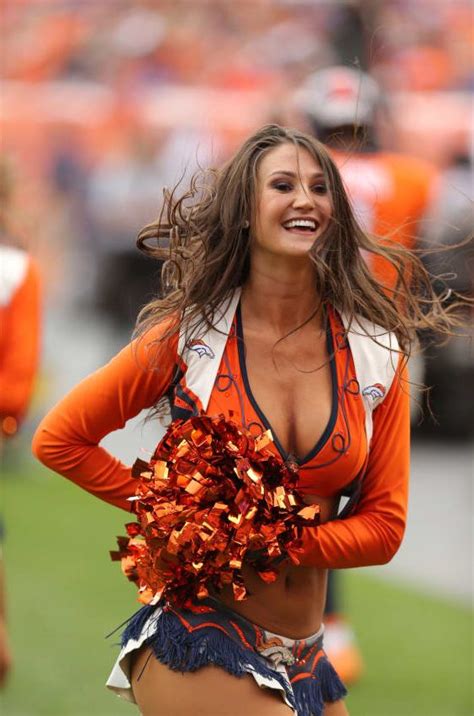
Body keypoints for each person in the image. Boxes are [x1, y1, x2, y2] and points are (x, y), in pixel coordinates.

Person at [32, 124, 457, 716]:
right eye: (282, 185)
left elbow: (384, 527)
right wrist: (174, 513)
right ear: (243, 211)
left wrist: (264, 541)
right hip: (203, 636)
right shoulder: (188, 336)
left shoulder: (377, 351)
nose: (304, 199)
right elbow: (60, 441)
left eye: (319, 187)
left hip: (308, 657)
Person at [294, 66, 439, 683]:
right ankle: (335, 633)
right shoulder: (412, 177)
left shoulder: (301, 175)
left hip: (314, 341)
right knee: (368, 498)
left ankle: (320, 625)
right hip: (390, 341)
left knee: (308, 492)